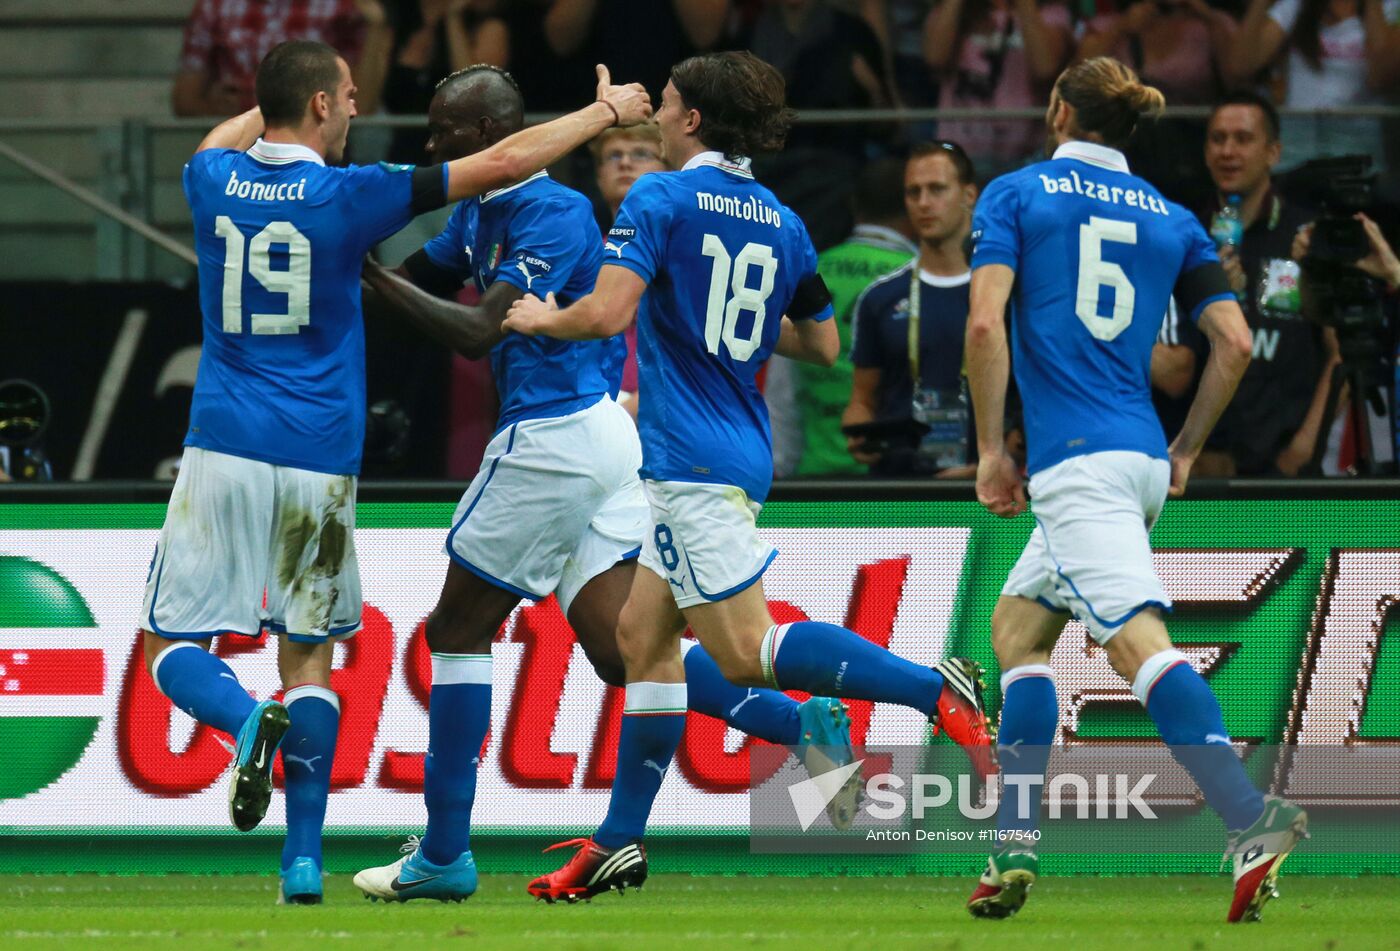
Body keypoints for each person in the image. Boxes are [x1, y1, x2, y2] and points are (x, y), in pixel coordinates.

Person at [141, 38, 652, 904]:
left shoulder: (208, 180)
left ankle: (239, 722)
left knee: (168, 644)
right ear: (315, 108)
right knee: (311, 662)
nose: (355, 108)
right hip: (318, 457)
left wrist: (267, 108)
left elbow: (217, 144)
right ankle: (302, 861)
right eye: (342, 96)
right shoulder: (352, 194)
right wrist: (605, 112)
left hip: (222, 441)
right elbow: (497, 161)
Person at [349, 65, 852, 903]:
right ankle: (799, 726)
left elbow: (475, 330)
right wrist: (349, 262)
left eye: (446, 133)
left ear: (486, 137)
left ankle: (443, 853)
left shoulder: (555, 210)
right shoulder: (478, 211)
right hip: (605, 446)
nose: (434, 147)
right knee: (626, 654)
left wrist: (366, 275)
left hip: (557, 435)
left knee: (456, 629)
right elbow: (427, 282)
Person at [505, 50, 997, 903]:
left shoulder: (659, 196)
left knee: (743, 650)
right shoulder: (781, 219)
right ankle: (619, 842)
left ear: (692, 119)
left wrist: (546, 317)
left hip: (692, 458)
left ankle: (931, 689)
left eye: (663, 103)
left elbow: (610, 313)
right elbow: (821, 342)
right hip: (729, 446)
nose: (654, 115)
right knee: (643, 643)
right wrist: (724, 324)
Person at [963, 56, 1308, 922]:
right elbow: (1231, 340)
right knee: (1016, 630)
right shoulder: (1174, 216)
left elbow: (980, 322)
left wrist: (989, 451)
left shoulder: (1016, 192)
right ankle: (1013, 842)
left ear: (1055, 112)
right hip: (1142, 457)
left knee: (1135, 645)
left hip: (1075, 464)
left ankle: (1249, 816)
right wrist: (1186, 449)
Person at [1166, 92, 1340, 476]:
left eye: (1242, 139)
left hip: (1286, 464)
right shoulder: (1180, 232)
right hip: (1199, 465)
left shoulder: (1305, 235)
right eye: (1217, 138)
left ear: (1273, 152)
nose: (1228, 151)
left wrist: (1305, 446)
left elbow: (1339, 352)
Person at [842, 142, 978, 477]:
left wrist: (994, 461)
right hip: (900, 492)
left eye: (937, 189)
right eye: (913, 192)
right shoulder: (880, 297)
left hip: (987, 491)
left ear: (969, 195)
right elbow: (862, 399)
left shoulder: (1002, 292)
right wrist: (859, 431)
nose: (923, 203)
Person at [794, 157, 917, 477]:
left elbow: (781, 387)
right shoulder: (918, 278)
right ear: (910, 203)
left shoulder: (810, 269)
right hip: (893, 478)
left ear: (853, 203)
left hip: (810, 478)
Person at [1227, 0, 1400, 167]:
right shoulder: (1296, 5)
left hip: (1359, 164)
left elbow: (1379, 76)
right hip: (1294, 161)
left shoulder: (1391, 8)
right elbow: (1241, 65)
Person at [922, 0, 1074, 169]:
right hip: (959, 152)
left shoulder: (1051, 13)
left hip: (1026, 154)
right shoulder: (949, 10)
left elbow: (1045, 67)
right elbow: (935, 57)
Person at [172, 0, 390, 116]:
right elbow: (184, 102)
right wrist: (213, 109)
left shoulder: (344, 7)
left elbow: (362, 105)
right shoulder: (215, 5)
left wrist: (375, 24)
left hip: (318, 158)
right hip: (238, 153)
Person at [590, 123, 667, 418]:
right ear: (599, 176)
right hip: (592, 408)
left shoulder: (683, 248)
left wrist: (624, 415)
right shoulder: (585, 252)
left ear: (669, 169)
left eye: (641, 153)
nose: (625, 163)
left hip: (665, 413)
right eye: (613, 156)